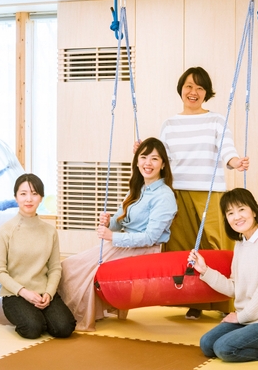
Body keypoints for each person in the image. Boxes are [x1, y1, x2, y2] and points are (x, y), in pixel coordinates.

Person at [58, 137, 178, 331]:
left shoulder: (164, 196)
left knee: (81, 270)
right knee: (70, 265)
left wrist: (113, 237)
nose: (148, 163)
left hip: (142, 251)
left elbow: (150, 238)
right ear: (137, 161)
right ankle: (58, 311)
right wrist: (109, 222)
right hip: (123, 245)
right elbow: (120, 221)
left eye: (154, 159)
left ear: (163, 164)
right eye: (143, 157)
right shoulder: (138, 188)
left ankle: (69, 315)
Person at [158, 66, 249, 319]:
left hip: (210, 194)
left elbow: (227, 150)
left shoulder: (217, 120)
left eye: (200, 87)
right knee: (182, 248)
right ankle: (193, 301)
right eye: (189, 86)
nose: (193, 92)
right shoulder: (169, 124)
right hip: (177, 193)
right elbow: (161, 157)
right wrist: (143, 150)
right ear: (181, 89)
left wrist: (235, 162)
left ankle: (224, 304)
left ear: (207, 92)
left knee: (217, 247)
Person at [188, 188, 258, 363]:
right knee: (207, 344)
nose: (236, 217)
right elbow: (235, 288)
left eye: (241, 209)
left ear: (254, 211)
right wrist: (205, 270)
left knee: (224, 349)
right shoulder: (240, 244)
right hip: (250, 318)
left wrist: (240, 317)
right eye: (230, 213)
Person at [0, 173, 76, 339]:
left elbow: (55, 268)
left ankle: (40, 316)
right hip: (15, 294)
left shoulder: (50, 231)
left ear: (41, 198)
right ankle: (34, 318)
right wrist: (24, 292)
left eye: (34, 193)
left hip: (43, 293)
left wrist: (49, 293)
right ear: (16, 197)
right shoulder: (4, 230)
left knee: (65, 328)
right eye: (23, 194)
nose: (29, 199)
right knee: (33, 329)